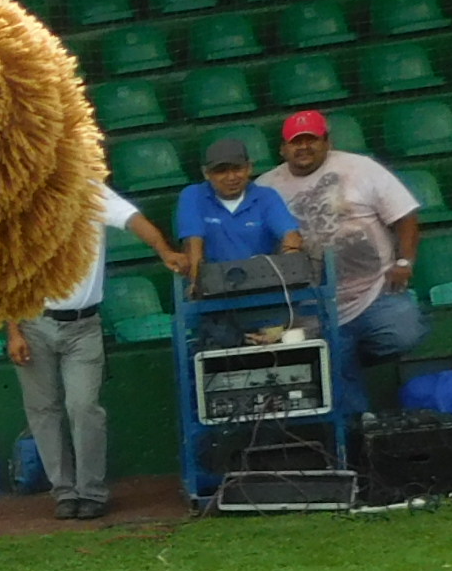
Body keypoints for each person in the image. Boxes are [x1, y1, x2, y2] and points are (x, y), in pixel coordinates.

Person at [8, 183, 178, 521]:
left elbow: (133, 220)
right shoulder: (21, 198)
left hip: (84, 324)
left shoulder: (89, 189)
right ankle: (64, 492)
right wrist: (13, 331)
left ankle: (92, 492)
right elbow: (8, 272)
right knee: (43, 410)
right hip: (33, 321)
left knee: (84, 406)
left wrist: (163, 248)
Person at [266, 109, 424, 413]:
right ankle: (359, 434)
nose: (303, 147)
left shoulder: (361, 168)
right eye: (295, 142)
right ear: (283, 149)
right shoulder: (267, 188)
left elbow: (406, 216)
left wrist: (405, 262)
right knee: (334, 355)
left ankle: (344, 354)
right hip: (311, 304)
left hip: (374, 291)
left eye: (311, 140)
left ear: (327, 141)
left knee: (406, 333)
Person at [171, 135, 301, 278]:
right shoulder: (193, 195)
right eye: (221, 171)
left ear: (249, 168)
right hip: (213, 284)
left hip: (264, 281)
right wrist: (196, 282)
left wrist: (292, 269)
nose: (231, 177)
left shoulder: (266, 196)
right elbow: (192, 242)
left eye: (237, 169)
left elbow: (290, 235)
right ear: (206, 173)